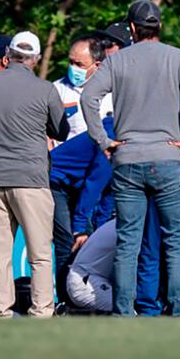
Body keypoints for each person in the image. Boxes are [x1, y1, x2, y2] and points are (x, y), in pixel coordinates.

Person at [80, 0, 180, 316]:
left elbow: (88, 97)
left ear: (133, 28)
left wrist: (104, 141)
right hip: (169, 157)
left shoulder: (117, 61)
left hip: (127, 158)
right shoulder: (179, 58)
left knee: (128, 243)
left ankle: (124, 312)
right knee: (177, 242)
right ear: (159, 26)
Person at [0, 31, 70, 318]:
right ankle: (42, 310)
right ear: (36, 59)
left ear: (8, 55)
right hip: (31, 178)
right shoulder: (46, 90)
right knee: (39, 252)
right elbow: (61, 130)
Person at [49, 115, 115, 297]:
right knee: (69, 241)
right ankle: (65, 300)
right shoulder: (112, 137)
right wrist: (80, 228)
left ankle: (86, 297)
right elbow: (94, 185)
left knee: (90, 239)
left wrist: (100, 230)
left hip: (76, 186)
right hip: (55, 181)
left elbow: (109, 191)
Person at [54, 36, 106, 140]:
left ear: (97, 65)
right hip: (65, 154)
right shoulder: (55, 90)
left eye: (79, 64)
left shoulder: (112, 93)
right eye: (71, 62)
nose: (73, 68)